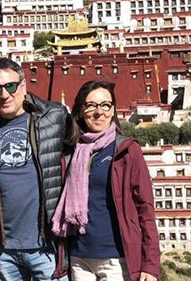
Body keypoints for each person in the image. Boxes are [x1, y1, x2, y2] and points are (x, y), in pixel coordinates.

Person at [0, 58, 70, 281]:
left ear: (23, 86)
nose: (4, 95)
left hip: (47, 246)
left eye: (10, 86)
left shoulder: (53, 117)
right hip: (4, 250)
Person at [52, 81, 161, 281]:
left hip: (116, 258)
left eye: (105, 105)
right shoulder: (71, 150)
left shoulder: (127, 150)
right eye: (91, 105)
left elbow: (145, 208)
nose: (98, 112)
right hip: (79, 256)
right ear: (81, 110)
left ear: (112, 110)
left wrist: (151, 264)